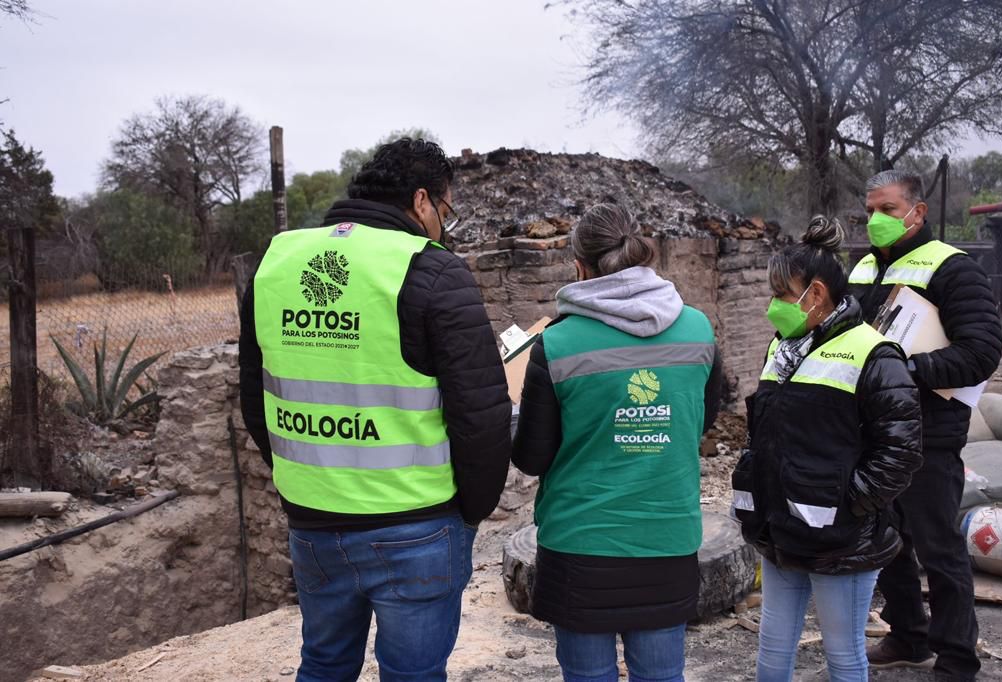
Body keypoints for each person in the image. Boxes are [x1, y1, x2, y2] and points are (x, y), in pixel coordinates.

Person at [238, 137, 512, 682]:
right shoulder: (432, 270)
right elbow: (480, 416)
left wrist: (310, 481)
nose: (444, 225)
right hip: (418, 523)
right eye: (446, 209)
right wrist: (472, 511)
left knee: (324, 665)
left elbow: (255, 398)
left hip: (313, 522)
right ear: (421, 200)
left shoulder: (276, 262)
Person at [512, 203, 723, 682]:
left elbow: (531, 457)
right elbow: (700, 419)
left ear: (579, 267)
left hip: (582, 546)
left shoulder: (557, 343)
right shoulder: (697, 329)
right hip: (666, 539)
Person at [731, 216, 923, 682]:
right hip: (781, 529)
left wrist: (848, 503)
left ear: (815, 294)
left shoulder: (875, 354)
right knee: (773, 647)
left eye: (780, 294)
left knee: (843, 654)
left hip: (842, 543)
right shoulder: (782, 349)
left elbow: (900, 451)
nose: (772, 306)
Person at [851, 170, 1002, 680]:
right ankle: (908, 637)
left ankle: (957, 657)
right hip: (873, 431)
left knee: (938, 548)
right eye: (870, 211)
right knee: (885, 538)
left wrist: (904, 372)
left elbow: (980, 352)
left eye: (887, 210)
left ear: (917, 212)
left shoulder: (953, 268)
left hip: (928, 433)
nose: (876, 220)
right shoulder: (863, 268)